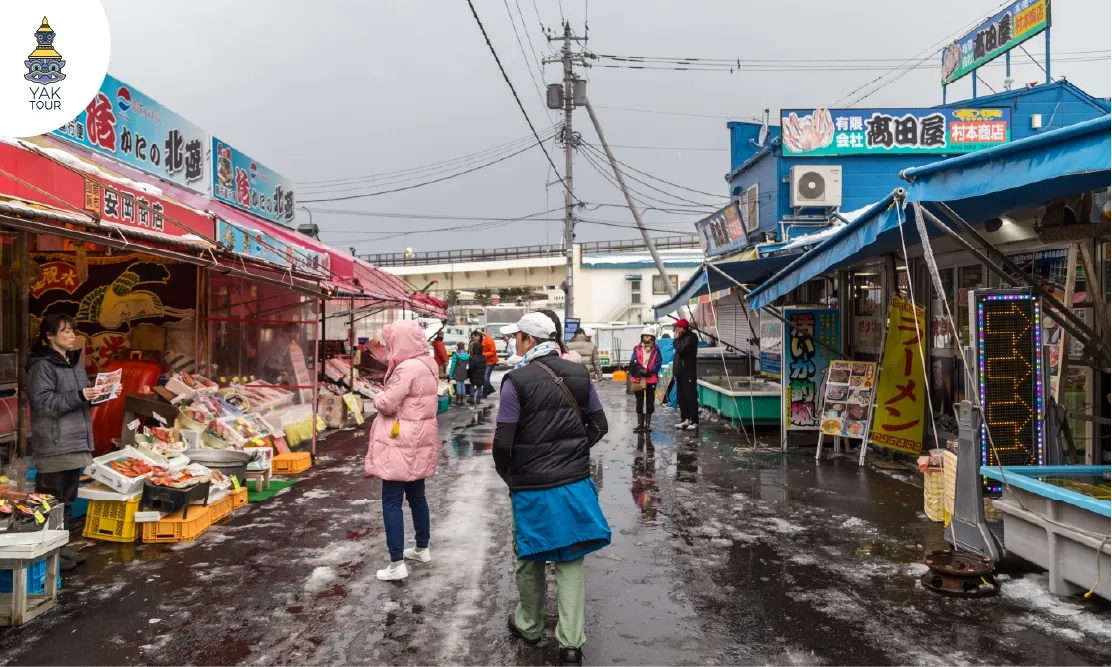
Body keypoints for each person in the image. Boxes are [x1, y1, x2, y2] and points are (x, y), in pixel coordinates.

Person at [494, 312, 610, 665]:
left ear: (529, 340)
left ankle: (529, 625)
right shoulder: (579, 373)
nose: (514, 342)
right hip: (573, 482)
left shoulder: (516, 380)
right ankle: (571, 644)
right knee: (570, 560)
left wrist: (511, 476)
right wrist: (572, 453)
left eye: (517, 337)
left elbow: (503, 442)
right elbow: (599, 425)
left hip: (531, 486)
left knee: (530, 556)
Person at [364, 320, 440, 581]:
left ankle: (396, 564)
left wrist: (376, 396)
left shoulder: (406, 368)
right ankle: (422, 548)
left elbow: (387, 403)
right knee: (417, 496)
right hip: (420, 440)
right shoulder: (429, 364)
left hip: (401, 442)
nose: (388, 345)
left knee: (391, 501)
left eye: (390, 341)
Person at [28, 314, 100, 571]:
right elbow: (44, 403)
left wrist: (99, 393)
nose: (72, 336)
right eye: (66, 331)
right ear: (49, 336)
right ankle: (48, 555)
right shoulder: (42, 366)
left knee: (67, 500)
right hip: (55, 443)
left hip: (76, 441)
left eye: (73, 331)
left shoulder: (74, 362)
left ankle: (62, 548)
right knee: (50, 501)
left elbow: (80, 397)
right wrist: (80, 394)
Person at [629, 326, 663, 433]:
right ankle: (640, 425)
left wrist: (648, 371)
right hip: (638, 378)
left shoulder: (656, 350)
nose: (647, 338)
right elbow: (633, 362)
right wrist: (641, 370)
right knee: (639, 401)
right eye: (645, 336)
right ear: (642, 337)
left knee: (649, 402)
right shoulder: (637, 348)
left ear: (653, 338)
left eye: (649, 336)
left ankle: (647, 425)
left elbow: (658, 363)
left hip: (651, 379)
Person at [672, 319, 700, 431]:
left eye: (677, 327)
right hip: (680, 373)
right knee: (681, 397)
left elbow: (681, 350)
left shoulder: (691, 338)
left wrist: (675, 340)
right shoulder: (681, 338)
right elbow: (677, 357)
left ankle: (694, 420)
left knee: (690, 397)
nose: (676, 329)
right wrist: (675, 372)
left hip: (688, 372)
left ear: (682, 328)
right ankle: (685, 419)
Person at [467, 330, 487, 404]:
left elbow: (471, 368)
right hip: (481, 375)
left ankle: (472, 397)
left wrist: (468, 373)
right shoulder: (483, 357)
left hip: (474, 375)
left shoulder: (473, 358)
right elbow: (485, 366)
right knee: (479, 386)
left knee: (472, 385)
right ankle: (479, 398)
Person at [447, 342, 470, 406]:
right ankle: (463, 398)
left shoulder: (456, 355)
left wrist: (451, 374)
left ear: (458, 347)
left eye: (456, 346)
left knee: (458, 385)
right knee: (462, 384)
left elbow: (453, 365)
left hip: (457, 372)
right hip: (464, 372)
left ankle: (458, 399)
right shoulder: (466, 355)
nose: (455, 347)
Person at [481, 331, 499, 396]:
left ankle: (485, 392)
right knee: (485, 376)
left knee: (486, 376)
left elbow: (493, 352)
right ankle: (490, 388)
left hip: (491, 361)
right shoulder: (480, 340)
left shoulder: (489, 340)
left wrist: (483, 355)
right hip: (485, 361)